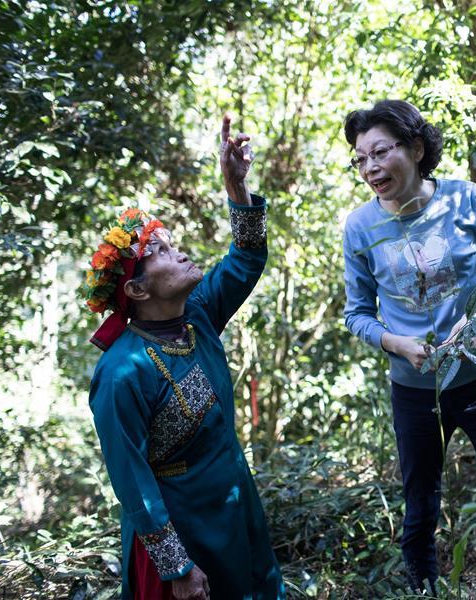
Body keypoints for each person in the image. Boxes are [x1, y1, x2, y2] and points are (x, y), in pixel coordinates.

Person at [341, 100, 476, 593]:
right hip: (414, 390)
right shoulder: (360, 228)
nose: (369, 167)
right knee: (421, 503)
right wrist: (396, 343)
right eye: (359, 158)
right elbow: (356, 313)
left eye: (380, 152)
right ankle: (422, 589)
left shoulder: (464, 199)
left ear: (415, 147)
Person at [83, 115, 285, 599]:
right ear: (136, 288)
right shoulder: (119, 372)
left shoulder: (197, 315)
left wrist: (236, 186)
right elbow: (131, 480)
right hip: (184, 524)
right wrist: (176, 568)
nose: (178, 254)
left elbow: (246, 258)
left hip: (235, 501)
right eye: (161, 253)